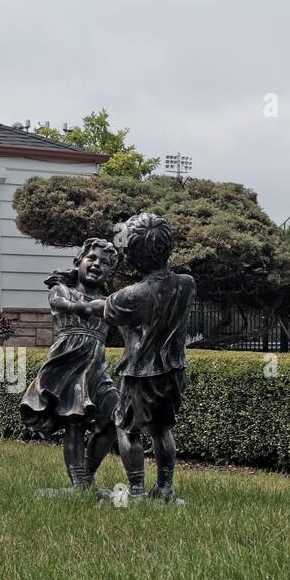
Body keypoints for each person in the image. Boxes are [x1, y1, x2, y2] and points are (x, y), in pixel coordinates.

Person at [104, 213, 196, 501]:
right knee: (162, 429)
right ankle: (166, 489)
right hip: (173, 371)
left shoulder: (129, 295)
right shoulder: (187, 283)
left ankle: (137, 491)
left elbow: (104, 310)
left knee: (126, 428)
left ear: (132, 255)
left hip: (140, 373)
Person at [20, 238, 120, 490]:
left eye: (105, 263)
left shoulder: (109, 302)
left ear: (110, 272)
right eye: (92, 258)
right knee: (74, 422)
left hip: (96, 369)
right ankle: (79, 483)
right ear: (78, 262)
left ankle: (87, 473)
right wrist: (83, 306)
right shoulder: (63, 290)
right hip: (69, 364)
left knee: (116, 417)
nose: (97, 264)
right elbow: (58, 303)